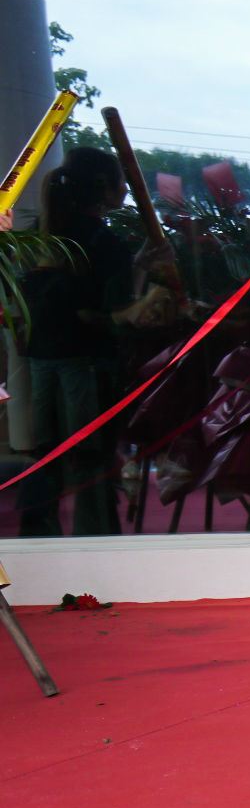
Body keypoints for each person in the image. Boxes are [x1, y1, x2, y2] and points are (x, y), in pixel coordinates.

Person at [11, 147, 173, 536]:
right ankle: (97, 541)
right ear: (103, 188)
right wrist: (154, 298)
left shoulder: (42, 235)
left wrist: (138, 266)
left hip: (41, 359)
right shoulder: (103, 242)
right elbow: (114, 312)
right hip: (86, 364)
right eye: (121, 182)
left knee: (44, 456)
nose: (127, 190)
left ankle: (37, 540)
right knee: (91, 459)